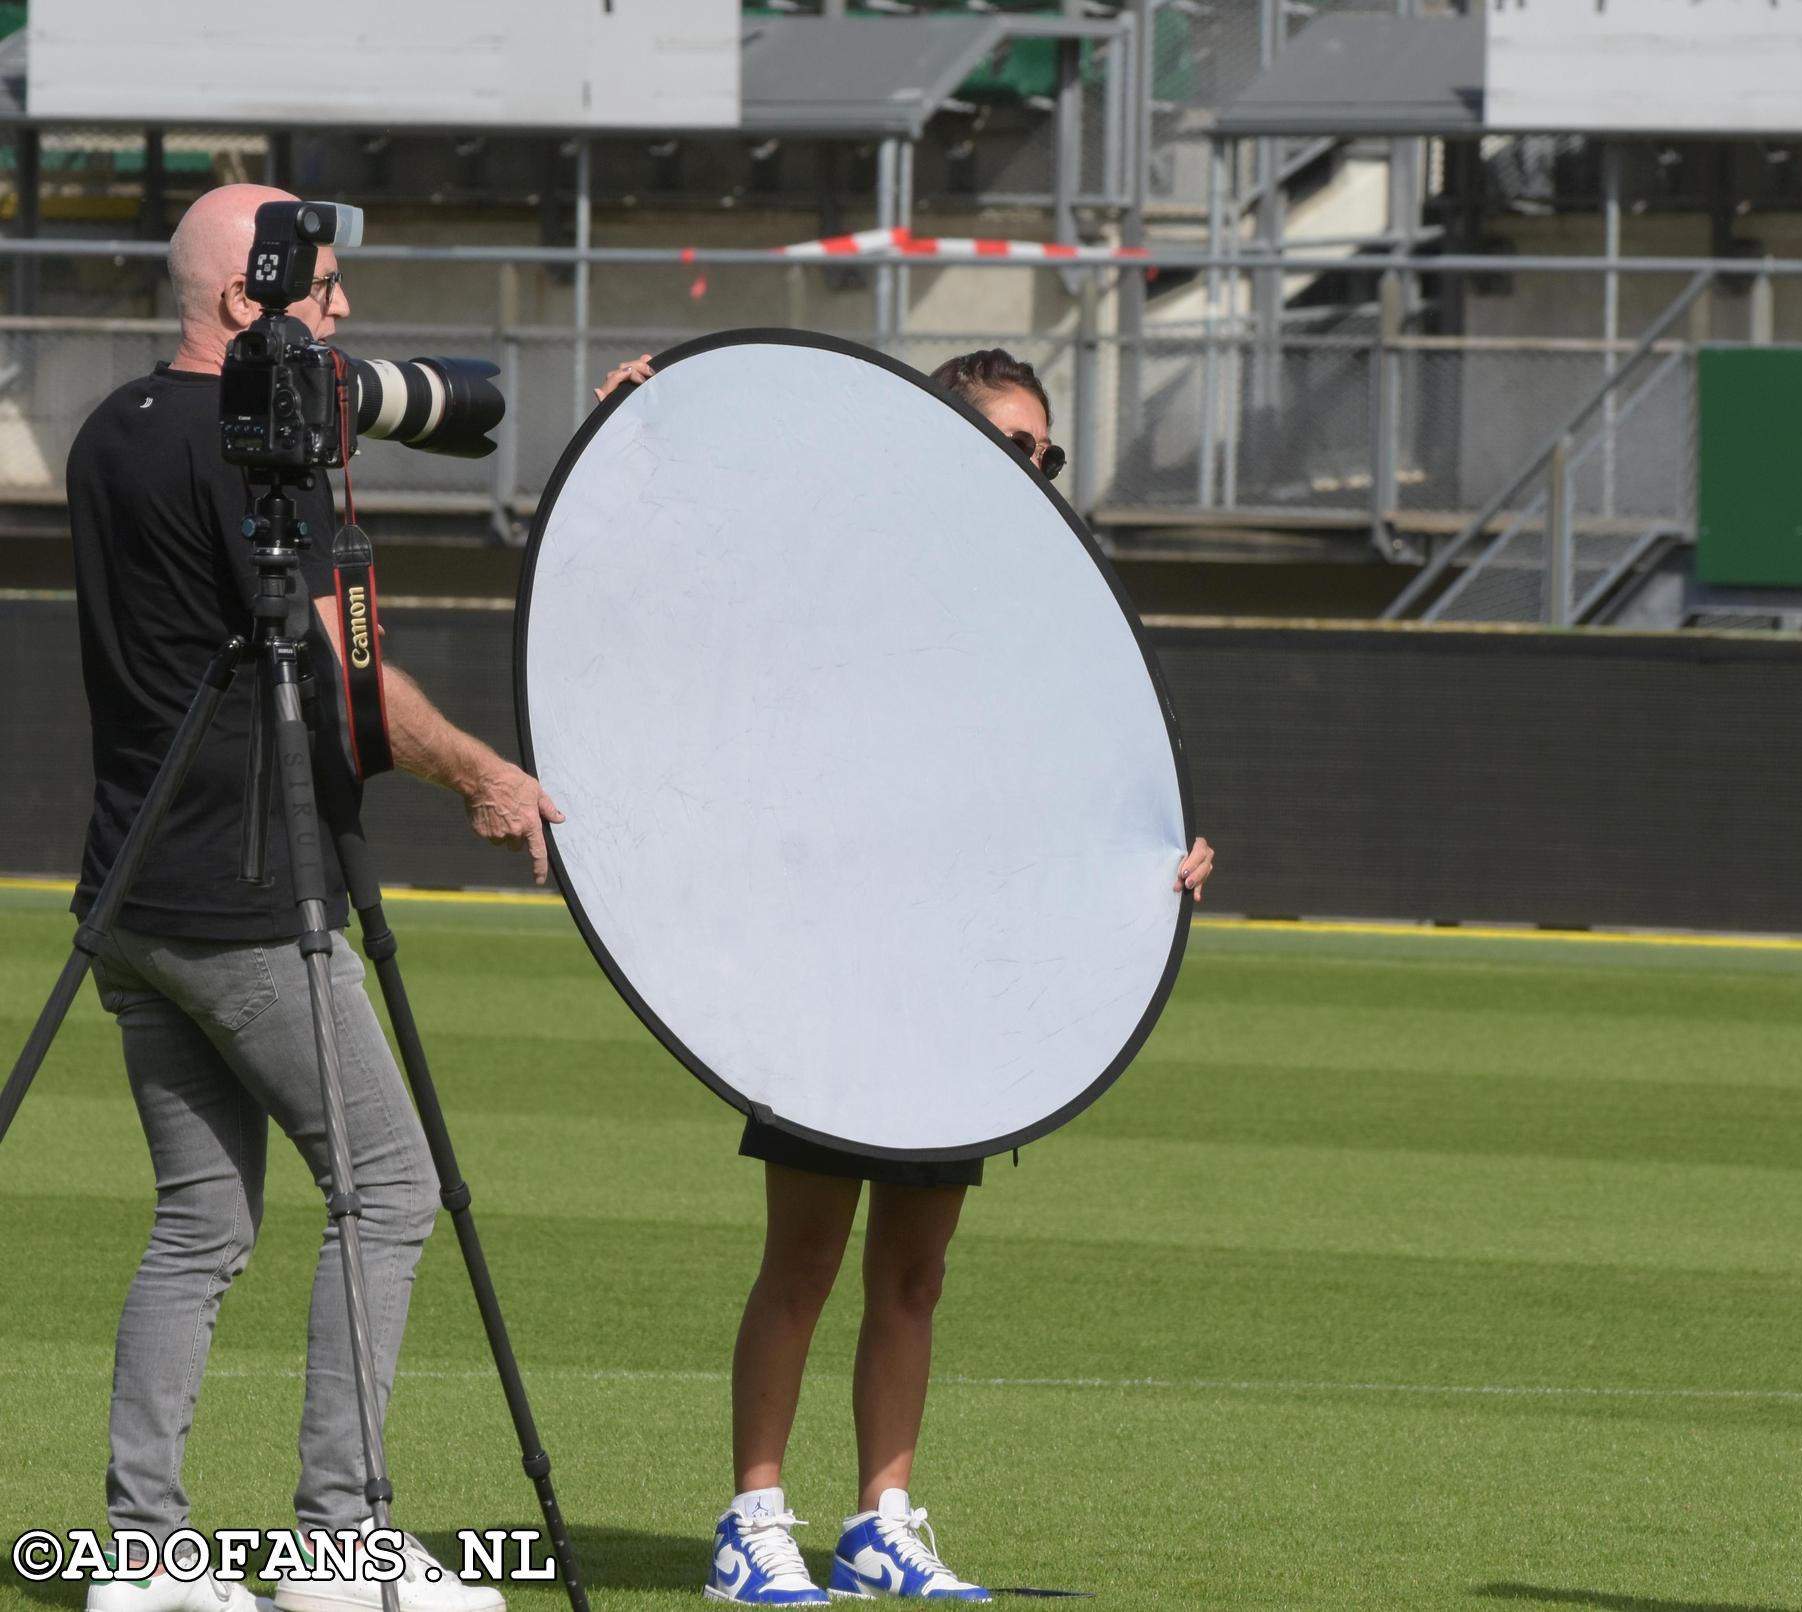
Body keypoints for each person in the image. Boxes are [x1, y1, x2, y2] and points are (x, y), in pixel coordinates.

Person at [595, 344, 1213, 1604]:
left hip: (957, 984)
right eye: (1005, 443)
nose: (1030, 468)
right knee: (805, 1260)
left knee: (915, 1273)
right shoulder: (844, 568)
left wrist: (1155, 861)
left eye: (1043, 451)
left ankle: (883, 1519)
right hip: (836, 970)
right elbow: (702, 570)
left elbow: (1081, 777)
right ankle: (752, 1520)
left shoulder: (1052, 603)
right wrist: (636, 432)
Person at [69, 183, 562, 1612]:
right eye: (321, 289)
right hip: (248, 892)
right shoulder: (245, 467)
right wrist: (482, 772)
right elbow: (345, 686)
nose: (342, 315)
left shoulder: (112, 433)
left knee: (199, 1227)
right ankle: (340, 1541)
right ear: (248, 300)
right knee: (392, 1190)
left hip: (133, 897)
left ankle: (143, 1553)